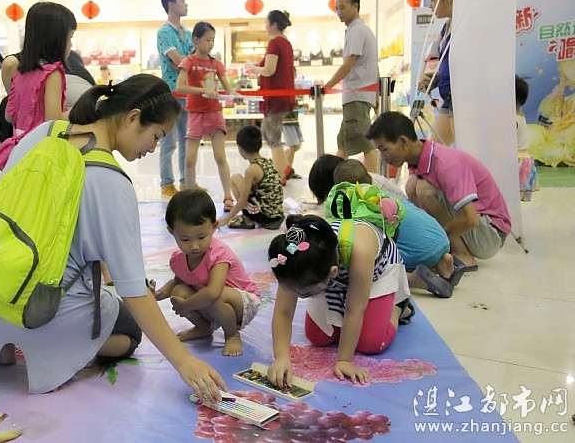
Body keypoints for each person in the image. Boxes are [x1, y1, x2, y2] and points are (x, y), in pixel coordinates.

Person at [0, 74, 228, 400]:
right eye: (156, 136)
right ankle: (49, 348)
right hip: (38, 309)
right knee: (129, 331)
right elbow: (134, 290)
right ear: (133, 118)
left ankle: (5, 343)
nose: (152, 148)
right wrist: (184, 361)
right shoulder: (111, 181)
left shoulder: (45, 132)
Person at [267, 214, 411, 387]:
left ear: (332, 274)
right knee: (318, 337)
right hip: (329, 273)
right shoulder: (293, 259)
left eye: (305, 294)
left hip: (374, 272)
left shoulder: (360, 251)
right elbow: (283, 312)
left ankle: (398, 307)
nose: (298, 296)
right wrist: (282, 357)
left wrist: (344, 360)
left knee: (370, 343)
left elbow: (354, 310)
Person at [366, 111, 512, 272]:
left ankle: (462, 254)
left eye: (384, 149)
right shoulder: (418, 161)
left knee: (425, 191)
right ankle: (447, 248)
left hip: (491, 233)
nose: (382, 157)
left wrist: (437, 240)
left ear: (403, 142)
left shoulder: (445, 163)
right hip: (477, 229)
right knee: (412, 185)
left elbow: (471, 219)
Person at [150, 189, 261, 356]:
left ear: (214, 227)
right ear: (171, 231)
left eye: (201, 237)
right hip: (211, 302)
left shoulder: (218, 254)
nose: (194, 246)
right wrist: (157, 295)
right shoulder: (178, 259)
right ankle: (203, 328)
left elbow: (213, 292)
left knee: (214, 297)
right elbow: (177, 281)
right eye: (185, 239)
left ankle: (232, 334)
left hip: (242, 302)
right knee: (179, 292)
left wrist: (185, 306)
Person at [332, 159, 464, 297]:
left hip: (420, 254)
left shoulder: (364, 212)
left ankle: (412, 279)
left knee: (368, 262)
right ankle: (443, 262)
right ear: (370, 179)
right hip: (442, 241)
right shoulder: (390, 196)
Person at [0, 2, 76, 170]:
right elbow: (53, 121)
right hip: (41, 153)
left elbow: (9, 116)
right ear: (56, 39)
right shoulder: (53, 73)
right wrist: (77, 112)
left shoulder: (20, 72)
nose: (71, 45)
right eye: (69, 38)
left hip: (18, 152)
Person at [176, 21, 234, 210]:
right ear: (196, 40)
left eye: (213, 40)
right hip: (195, 114)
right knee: (189, 159)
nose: (211, 44)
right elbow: (180, 86)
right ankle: (189, 196)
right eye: (207, 40)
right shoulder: (188, 61)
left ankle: (228, 196)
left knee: (220, 157)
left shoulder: (216, 63)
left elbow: (227, 88)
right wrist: (202, 90)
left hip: (214, 113)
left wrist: (230, 93)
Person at [322, 0, 379, 172]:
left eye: (343, 7)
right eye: (337, 8)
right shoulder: (361, 30)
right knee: (344, 142)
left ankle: (374, 182)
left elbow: (347, 66)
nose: (339, 12)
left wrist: (326, 88)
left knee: (365, 142)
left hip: (357, 96)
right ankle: (332, 179)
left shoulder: (356, 31)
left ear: (355, 6)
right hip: (360, 96)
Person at [246, 10, 295, 184]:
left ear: (274, 25)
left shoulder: (275, 43)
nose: (265, 26)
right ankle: (284, 167)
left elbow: (269, 70)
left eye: (266, 22)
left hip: (276, 97)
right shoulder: (286, 43)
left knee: (273, 136)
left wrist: (254, 69)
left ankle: (281, 174)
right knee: (267, 132)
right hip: (283, 96)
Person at [157, 0, 193, 198]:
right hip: (170, 94)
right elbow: (179, 60)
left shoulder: (188, 33)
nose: (186, 4)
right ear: (171, 4)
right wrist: (186, 63)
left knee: (187, 140)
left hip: (188, 93)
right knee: (168, 140)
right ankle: (166, 183)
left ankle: (186, 181)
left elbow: (188, 61)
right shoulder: (163, 32)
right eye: (182, 0)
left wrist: (184, 63)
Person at [216, 125, 284, 230]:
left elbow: (242, 201)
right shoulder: (268, 162)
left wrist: (225, 220)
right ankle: (250, 215)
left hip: (266, 218)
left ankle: (247, 218)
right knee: (238, 179)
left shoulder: (251, 170)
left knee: (234, 179)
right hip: (278, 216)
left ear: (241, 149)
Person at [419, 0, 455, 146]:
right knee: (435, 150)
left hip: (460, 96)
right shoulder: (446, 27)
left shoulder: (463, 26)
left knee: (463, 150)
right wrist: (432, 80)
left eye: (433, 0)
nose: (430, 6)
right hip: (448, 95)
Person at [515, 75, 538, 201]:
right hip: (525, 159)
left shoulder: (513, 120)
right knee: (516, 197)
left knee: (511, 195)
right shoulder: (520, 115)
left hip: (517, 161)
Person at [282, 107, 304, 181]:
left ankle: (280, 163)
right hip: (288, 121)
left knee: (297, 146)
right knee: (293, 146)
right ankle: (287, 172)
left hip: (294, 120)